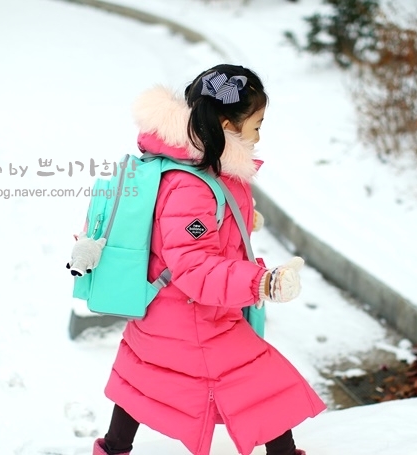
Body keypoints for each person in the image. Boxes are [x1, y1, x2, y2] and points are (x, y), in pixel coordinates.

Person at [93, 64, 327, 455]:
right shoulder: (191, 183)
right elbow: (193, 265)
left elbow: (184, 231)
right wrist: (261, 282)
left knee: (143, 379)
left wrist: (238, 222)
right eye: (256, 125)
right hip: (194, 318)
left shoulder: (190, 164)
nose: (258, 136)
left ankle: (113, 448)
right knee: (262, 384)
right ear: (227, 125)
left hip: (162, 311)